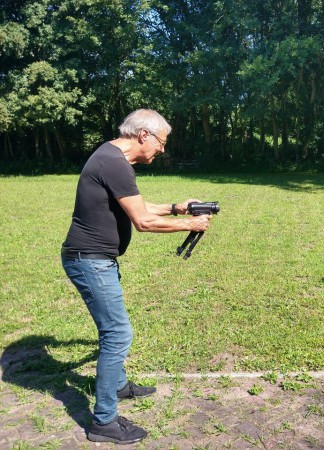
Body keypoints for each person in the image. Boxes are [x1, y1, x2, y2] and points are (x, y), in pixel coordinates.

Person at [61, 109, 212, 444]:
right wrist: (191, 224)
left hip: (95, 260)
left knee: (111, 330)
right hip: (90, 261)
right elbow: (143, 222)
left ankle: (117, 384)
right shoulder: (113, 162)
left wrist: (177, 208)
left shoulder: (112, 158)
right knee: (117, 334)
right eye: (161, 142)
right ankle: (103, 422)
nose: (162, 150)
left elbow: (137, 208)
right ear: (144, 135)